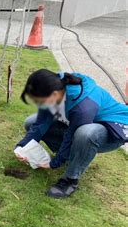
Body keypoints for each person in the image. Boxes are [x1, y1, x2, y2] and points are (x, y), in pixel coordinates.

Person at [16, 69, 128, 198]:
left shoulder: (83, 108)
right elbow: (40, 123)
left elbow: (71, 136)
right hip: (84, 124)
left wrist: (53, 164)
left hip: (112, 131)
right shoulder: (54, 84)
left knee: (85, 133)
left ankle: (70, 180)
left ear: (54, 94)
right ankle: (69, 157)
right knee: (31, 122)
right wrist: (21, 147)